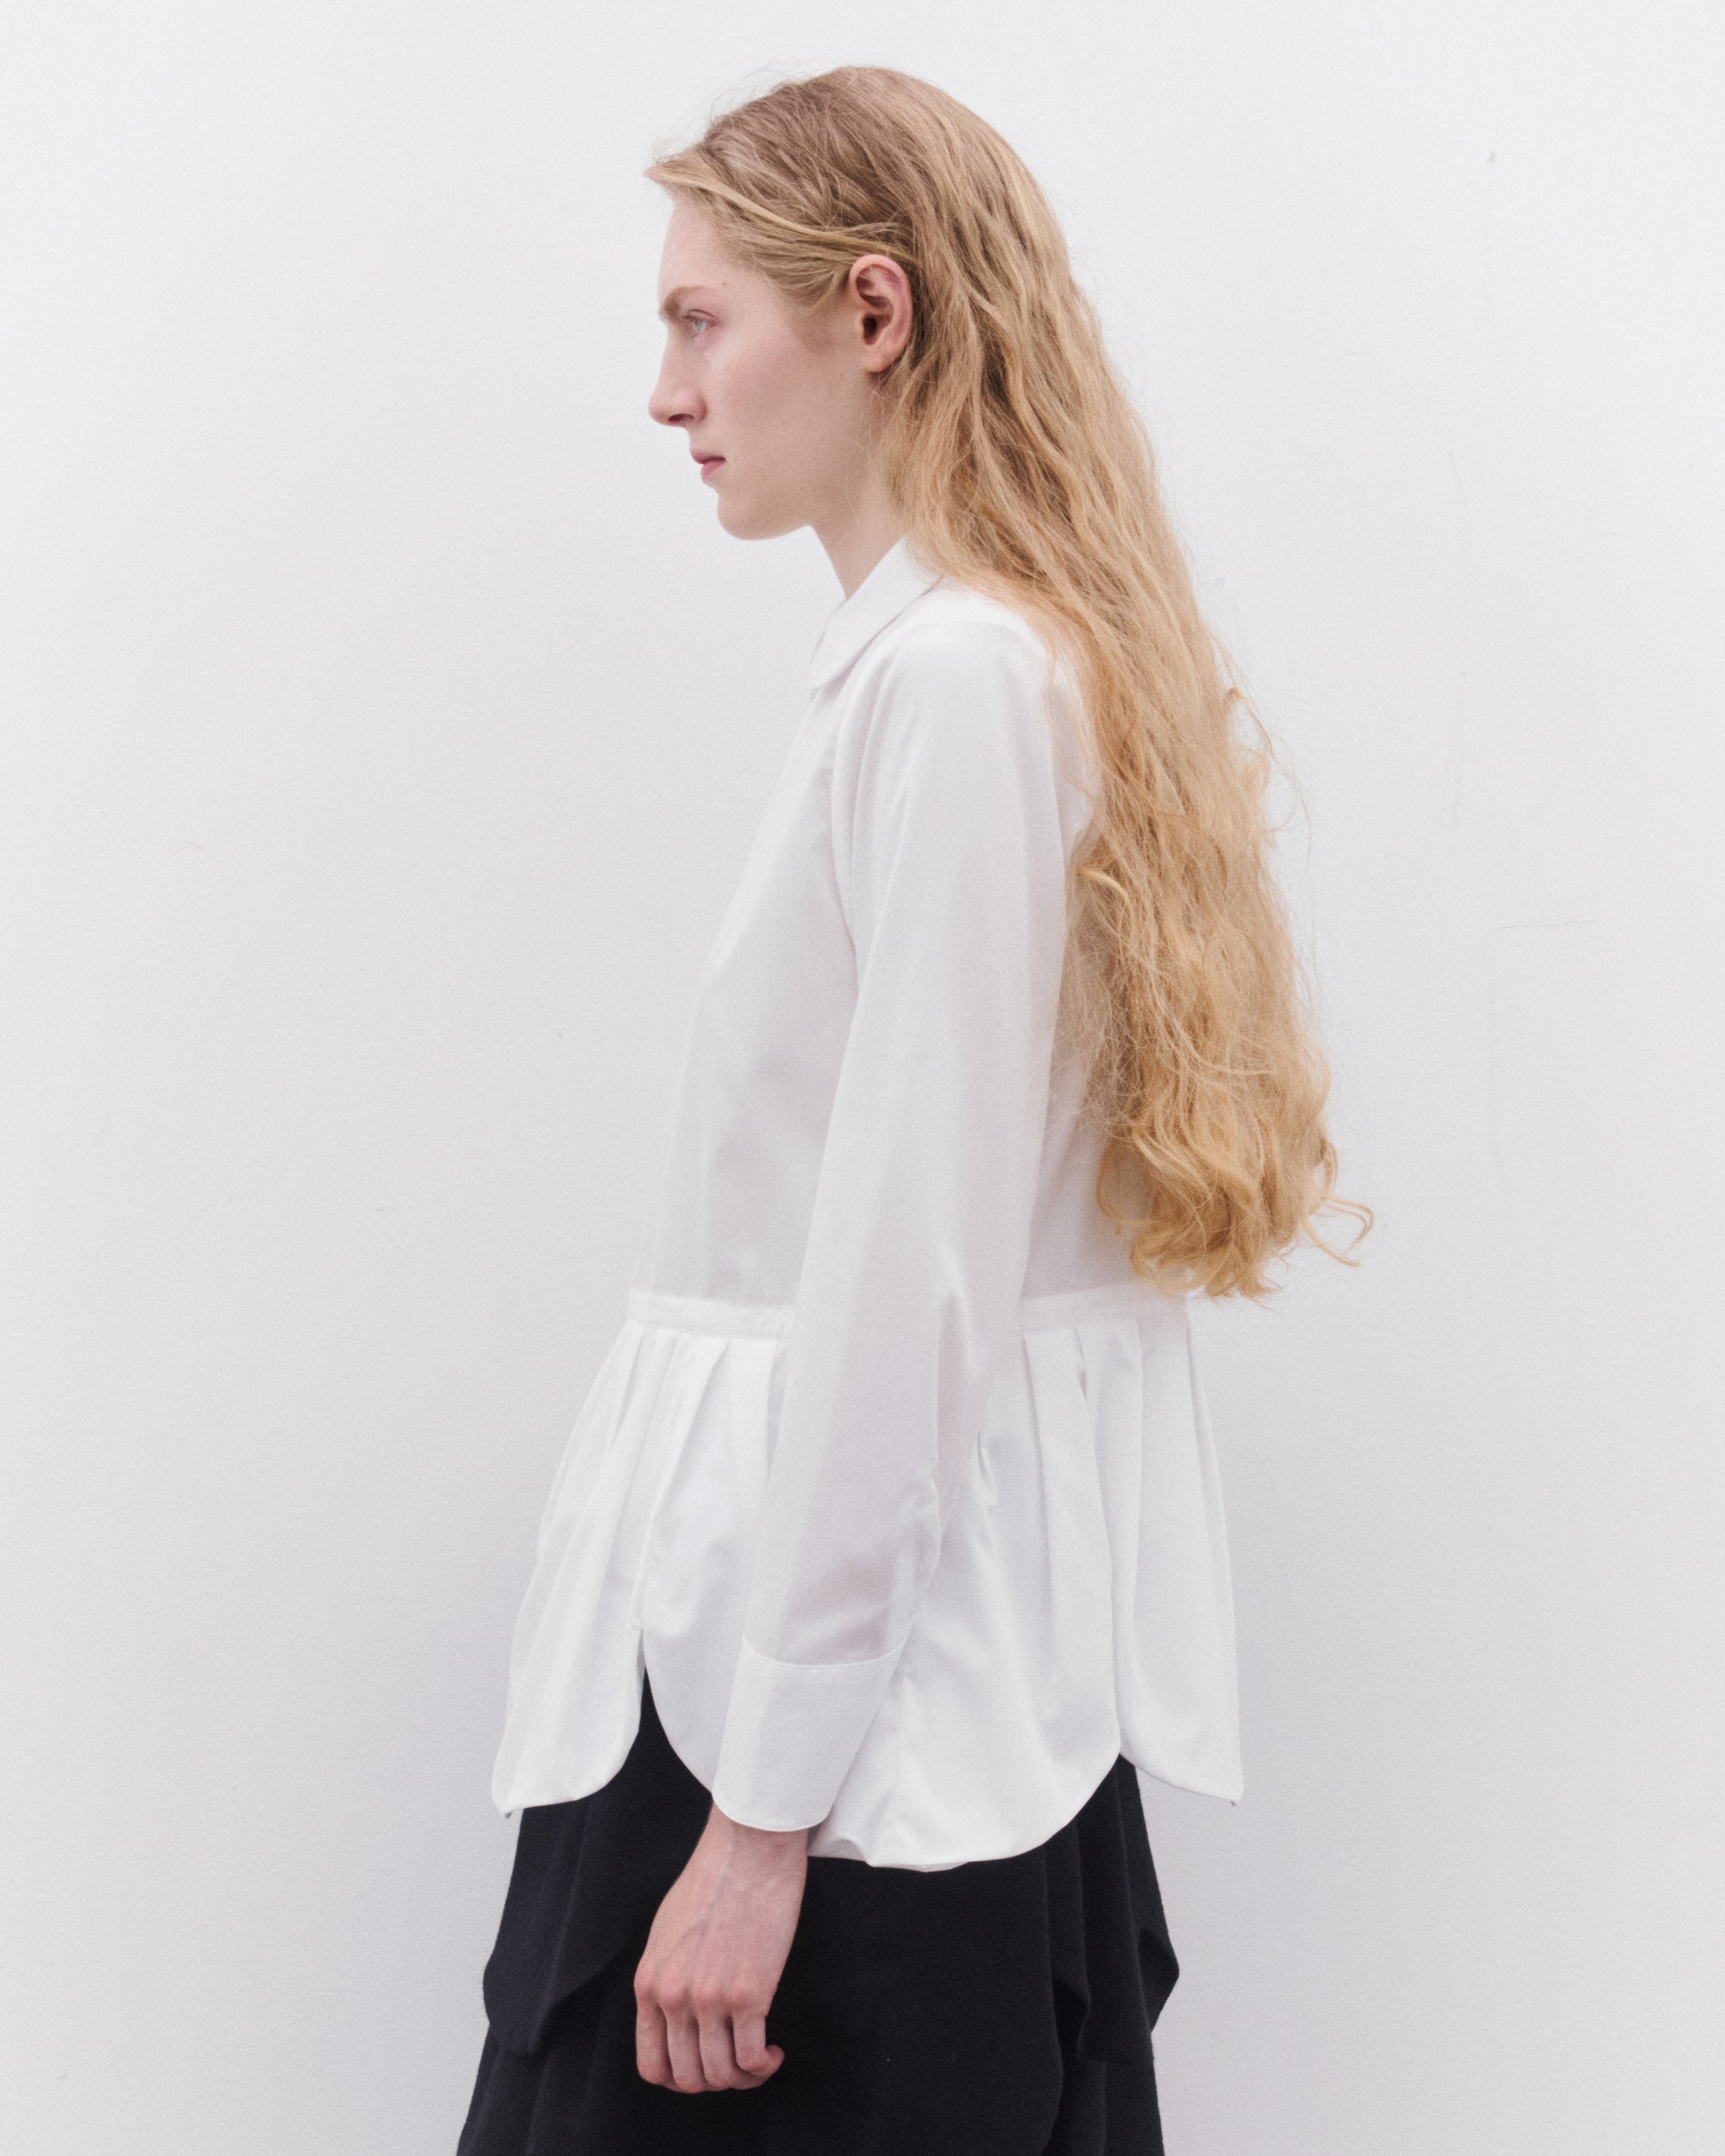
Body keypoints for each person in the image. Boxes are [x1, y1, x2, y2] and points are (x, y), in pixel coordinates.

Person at [455, 64, 1364, 2156]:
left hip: (826, 1746)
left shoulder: (955, 683)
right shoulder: (951, 670)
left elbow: (908, 1285)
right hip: (870, 1696)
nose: (667, 390)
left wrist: (757, 1819)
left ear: (872, 312)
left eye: (701, 321)